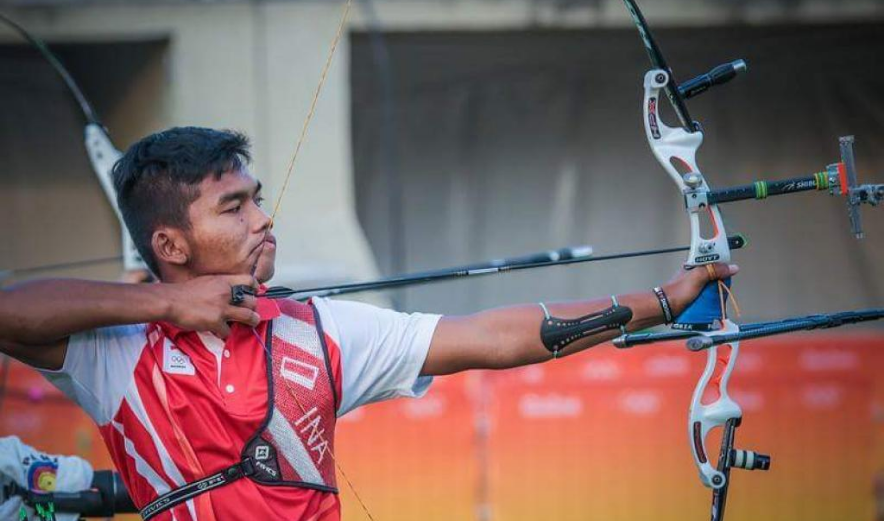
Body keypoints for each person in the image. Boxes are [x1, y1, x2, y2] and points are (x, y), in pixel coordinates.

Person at [0, 127, 736, 521]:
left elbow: (496, 336)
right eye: (234, 206)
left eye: (256, 198)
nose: (263, 218)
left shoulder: (312, 332)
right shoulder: (118, 354)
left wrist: (664, 300)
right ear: (168, 245)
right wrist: (163, 304)